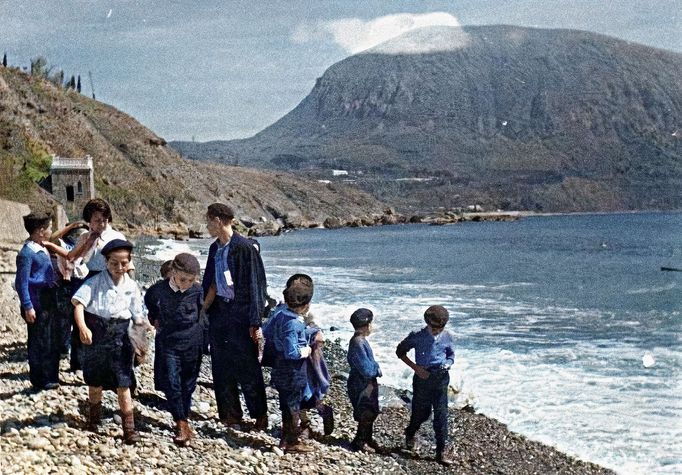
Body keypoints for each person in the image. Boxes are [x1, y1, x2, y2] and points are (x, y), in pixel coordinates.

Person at [71, 239, 150, 444]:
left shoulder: (131, 286)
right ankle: (93, 419)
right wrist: (83, 327)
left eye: (123, 263)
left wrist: (142, 341)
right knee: (95, 381)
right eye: (114, 263)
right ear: (106, 262)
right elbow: (78, 304)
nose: (119, 267)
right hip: (96, 333)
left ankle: (129, 429)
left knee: (123, 382)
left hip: (121, 336)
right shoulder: (95, 281)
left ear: (129, 262)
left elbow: (138, 316)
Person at [201, 203, 267, 431]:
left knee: (247, 365)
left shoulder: (244, 248)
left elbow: (256, 286)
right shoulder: (214, 248)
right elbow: (210, 282)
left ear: (219, 220)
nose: (207, 226)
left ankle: (259, 414)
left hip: (240, 313)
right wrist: (203, 311)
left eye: (209, 221)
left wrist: (255, 321)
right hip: (220, 312)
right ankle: (230, 414)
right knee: (221, 365)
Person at [262, 274, 334, 439]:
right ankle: (301, 427)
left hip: (306, 359)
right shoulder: (286, 314)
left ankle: (317, 414)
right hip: (296, 357)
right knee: (298, 395)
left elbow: (313, 330)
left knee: (308, 390)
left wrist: (313, 333)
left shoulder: (300, 314)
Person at [66, 198, 133, 372]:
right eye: (97, 220)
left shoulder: (116, 237)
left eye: (104, 219)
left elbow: (128, 263)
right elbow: (72, 257)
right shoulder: (84, 236)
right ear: (89, 221)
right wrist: (88, 242)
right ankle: (79, 363)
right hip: (87, 279)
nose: (101, 224)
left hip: (111, 279)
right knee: (82, 319)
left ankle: (108, 361)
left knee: (107, 319)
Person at [145, 253, 204, 447]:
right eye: (182, 279)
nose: (186, 284)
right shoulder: (157, 290)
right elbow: (150, 303)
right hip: (168, 342)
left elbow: (204, 312)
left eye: (191, 280)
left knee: (188, 383)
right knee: (172, 381)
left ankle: (184, 414)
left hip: (192, 343)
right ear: (173, 272)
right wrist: (154, 319)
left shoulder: (198, 291)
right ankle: (180, 422)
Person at [395, 305, 456, 465]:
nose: (437, 331)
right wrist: (416, 368)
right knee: (422, 413)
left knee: (441, 414)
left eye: (440, 328)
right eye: (434, 328)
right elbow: (400, 352)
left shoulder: (447, 336)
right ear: (427, 323)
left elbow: (450, 355)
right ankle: (410, 433)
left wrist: (448, 364)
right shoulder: (417, 336)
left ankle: (441, 451)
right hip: (422, 378)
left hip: (441, 377)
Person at [268, 279, 317, 452]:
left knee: (287, 405)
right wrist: (307, 351)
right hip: (293, 369)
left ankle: (286, 439)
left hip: (280, 365)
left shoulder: (281, 314)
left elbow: (267, 330)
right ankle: (290, 441)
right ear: (305, 305)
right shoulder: (294, 323)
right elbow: (292, 351)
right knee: (293, 406)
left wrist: (309, 331)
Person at [14, 211, 60, 391]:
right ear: (41, 231)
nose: (50, 232)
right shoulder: (27, 253)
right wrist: (27, 306)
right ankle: (40, 379)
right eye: (48, 228)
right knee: (38, 341)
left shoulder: (41, 248)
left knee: (49, 339)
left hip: (48, 298)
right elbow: (21, 282)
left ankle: (50, 376)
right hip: (37, 301)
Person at [347, 308, 382, 452]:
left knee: (371, 411)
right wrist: (377, 369)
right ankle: (360, 441)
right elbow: (366, 369)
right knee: (366, 412)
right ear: (367, 325)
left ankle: (367, 437)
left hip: (363, 382)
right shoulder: (358, 342)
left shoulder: (359, 341)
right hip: (362, 383)